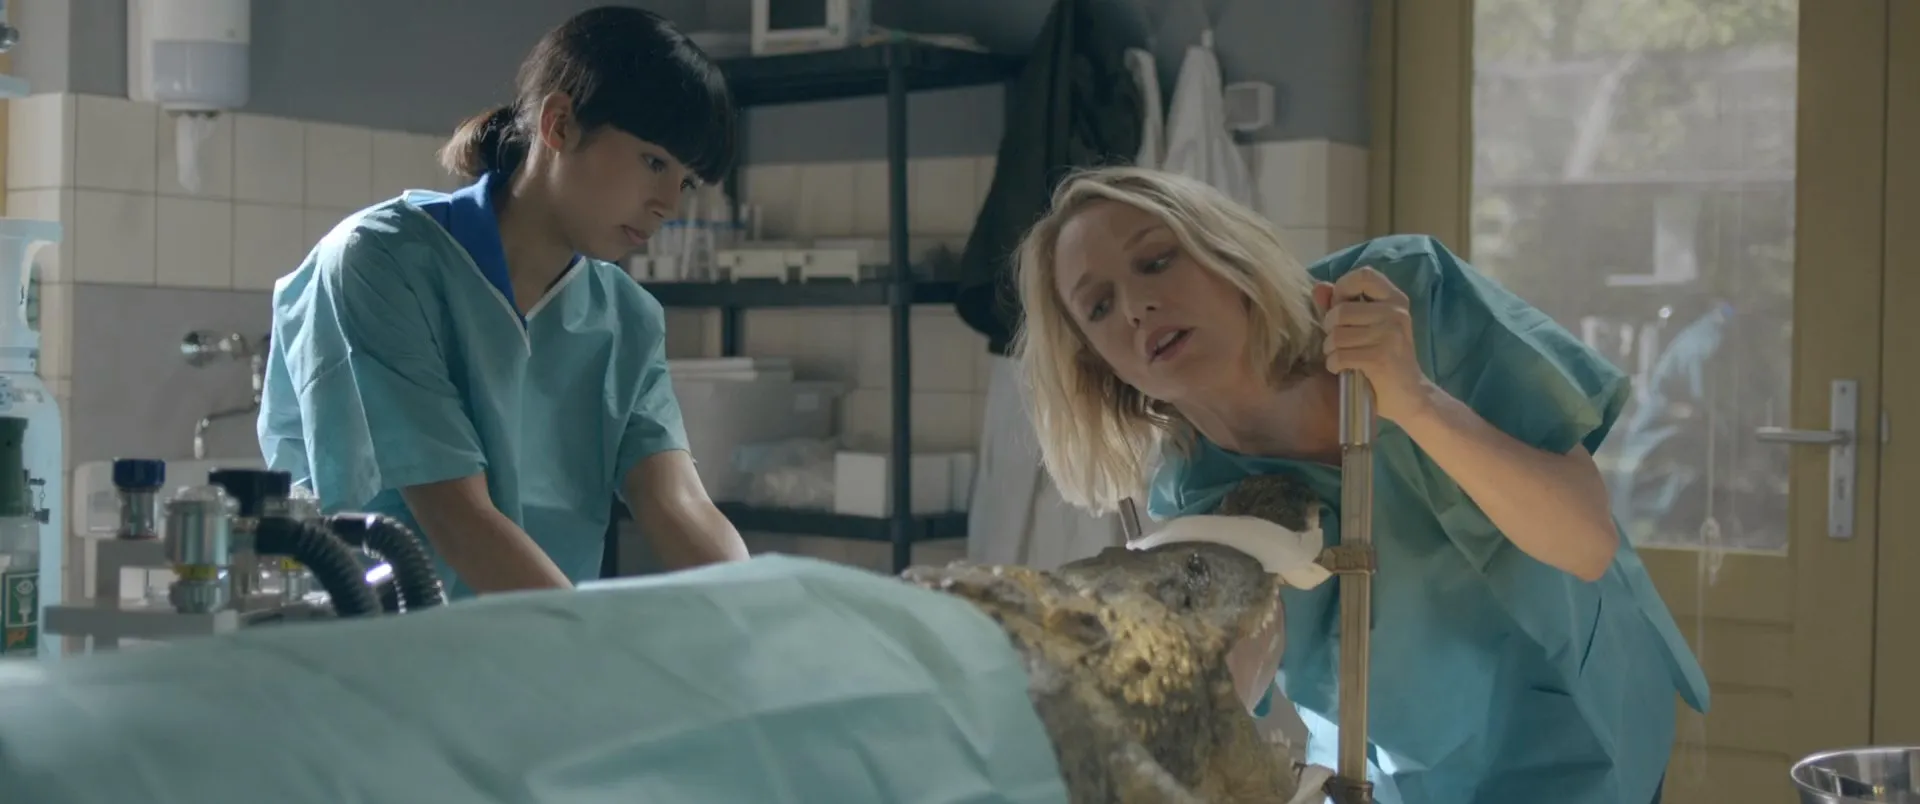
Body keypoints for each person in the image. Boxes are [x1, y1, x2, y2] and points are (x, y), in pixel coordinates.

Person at [1011, 166, 1709, 804]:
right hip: (1419, 777)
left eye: (1156, 260)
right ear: (1099, 364)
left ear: (1223, 252)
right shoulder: (1197, 505)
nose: (1136, 306)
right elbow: (1228, 683)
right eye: (1099, 306)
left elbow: (1585, 543)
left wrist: (1415, 402)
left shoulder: (1401, 301)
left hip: (1592, 723)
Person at [258, 6, 750, 598]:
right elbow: (457, 518)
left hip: (538, 639)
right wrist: (584, 638)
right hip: (383, 640)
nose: (669, 203)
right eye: (654, 162)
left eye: (686, 181)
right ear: (560, 124)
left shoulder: (625, 318)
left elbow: (676, 501)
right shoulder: (382, 262)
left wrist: (766, 610)